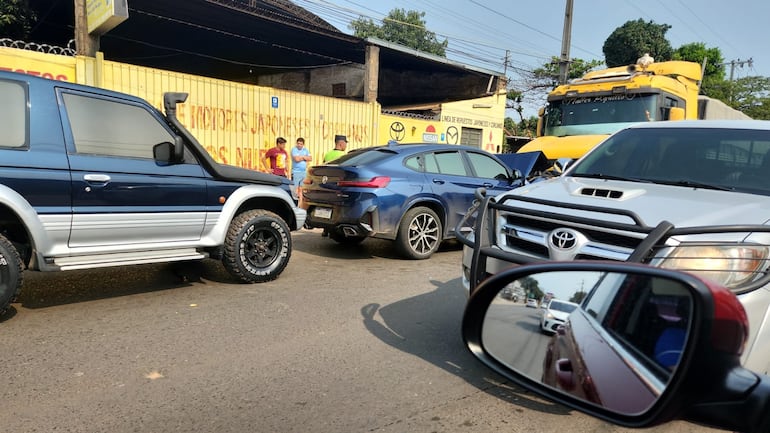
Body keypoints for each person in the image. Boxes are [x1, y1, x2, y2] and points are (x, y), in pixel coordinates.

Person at [291, 137, 312, 208]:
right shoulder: (294, 149)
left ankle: (300, 205)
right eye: (298, 144)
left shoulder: (305, 150)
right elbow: (296, 159)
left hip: (303, 172)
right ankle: (294, 205)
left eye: (301, 144)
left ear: (303, 144)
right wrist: (304, 157)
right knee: (295, 189)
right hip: (296, 172)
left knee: (302, 189)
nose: (299, 145)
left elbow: (310, 158)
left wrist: (301, 157)